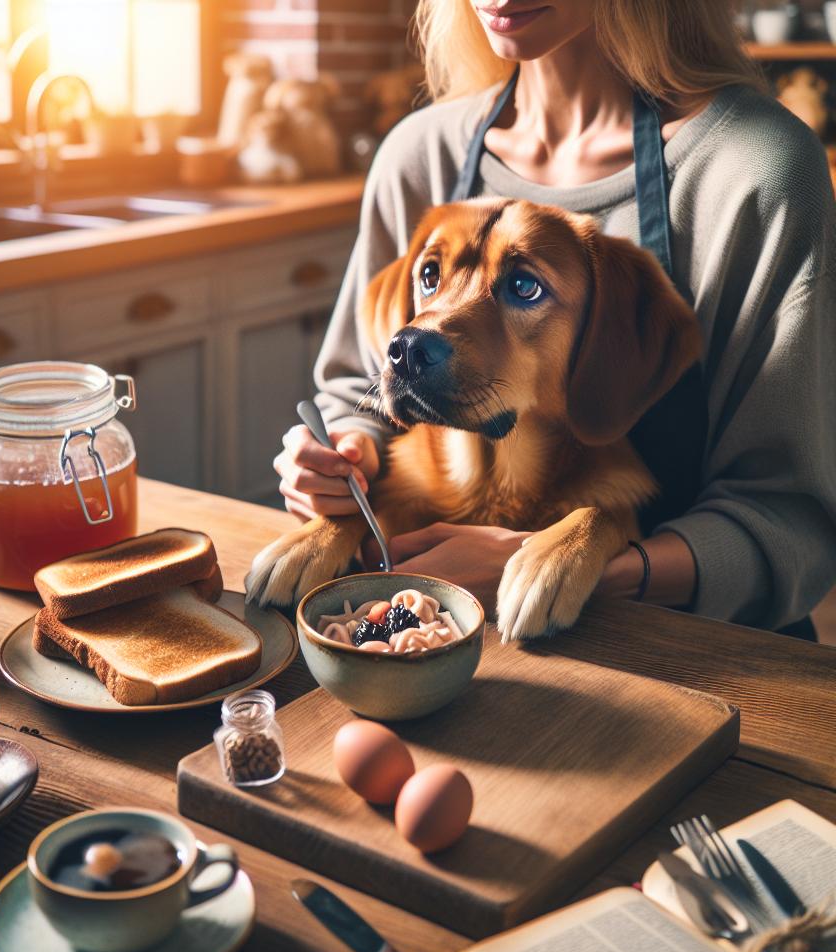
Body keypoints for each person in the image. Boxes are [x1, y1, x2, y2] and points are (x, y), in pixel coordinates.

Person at [272, 0, 836, 638]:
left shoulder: (754, 172)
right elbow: (358, 394)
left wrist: (580, 565)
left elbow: (790, 523)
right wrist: (338, 462)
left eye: (522, 287)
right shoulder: (418, 152)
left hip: (696, 661)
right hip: (432, 640)